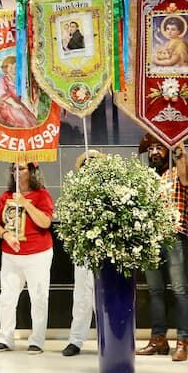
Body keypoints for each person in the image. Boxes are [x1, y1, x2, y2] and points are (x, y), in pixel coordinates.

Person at [136, 135, 188, 362]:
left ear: (168, 150)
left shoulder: (178, 171)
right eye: (150, 148)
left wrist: (180, 151)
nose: (154, 152)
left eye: (159, 147)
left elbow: (186, 178)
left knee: (180, 290)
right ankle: (158, 339)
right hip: (151, 238)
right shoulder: (145, 177)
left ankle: (182, 341)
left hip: (174, 237)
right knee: (155, 292)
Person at [0, 162, 55, 353]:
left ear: (32, 172)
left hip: (38, 253)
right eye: (14, 169)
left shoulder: (42, 195)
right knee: (7, 298)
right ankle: (6, 337)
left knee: (39, 297)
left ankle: (37, 340)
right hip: (11, 254)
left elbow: (45, 222)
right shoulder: (6, 196)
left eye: (22, 169)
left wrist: (26, 203)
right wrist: (5, 235)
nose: (17, 172)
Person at [63, 149, 103, 356]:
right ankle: (76, 340)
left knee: (101, 298)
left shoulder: (108, 193)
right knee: (81, 298)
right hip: (83, 252)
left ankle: (106, 340)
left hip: (104, 253)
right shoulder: (75, 194)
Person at [0, 56, 36, 129]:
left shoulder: (20, 79)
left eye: (14, 67)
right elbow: (3, 95)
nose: (12, 69)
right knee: (22, 120)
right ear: (5, 68)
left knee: (31, 120)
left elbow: (24, 94)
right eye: (9, 67)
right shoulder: (3, 80)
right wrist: (14, 104)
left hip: (19, 104)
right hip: (7, 105)